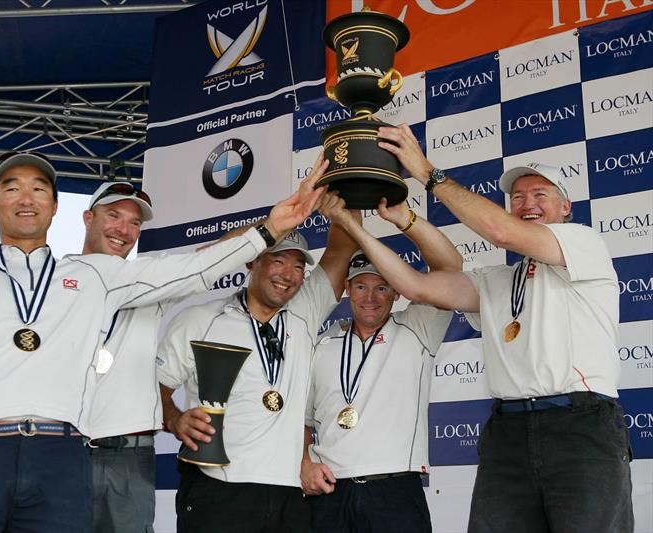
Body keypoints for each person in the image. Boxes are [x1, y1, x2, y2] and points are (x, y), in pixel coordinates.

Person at [0, 151, 329, 532]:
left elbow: (193, 268)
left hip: (59, 457)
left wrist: (270, 228)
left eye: (39, 188)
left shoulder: (95, 275)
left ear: (55, 206)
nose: (27, 197)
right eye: (12, 188)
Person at [319, 123, 634, 533]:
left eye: (541, 194)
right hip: (508, 432)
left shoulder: (584, 244)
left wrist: (426, 173)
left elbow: (500, 229)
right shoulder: (496, 281)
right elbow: (415, 286)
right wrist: (361, 225)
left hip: (581, 426)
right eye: (517, 197)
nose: (527, 203)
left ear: (565, 207)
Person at [157, 209, 358, 532]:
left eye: (297, 266)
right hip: (217, 487)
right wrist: (174, 418)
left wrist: (346, 186)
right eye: (277, 260)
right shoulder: (199, 320)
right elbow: (156, 387)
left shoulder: (305, 310)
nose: (288, 274)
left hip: (288, 492)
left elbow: (342, 248)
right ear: (252, 261)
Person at [302, 200, 462, 533]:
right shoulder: (321, 342)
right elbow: (300, 420)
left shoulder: (419, 327)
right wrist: (303, 462)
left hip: (394, 490)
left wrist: (404, 219)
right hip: (329, 491)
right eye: (361, 285)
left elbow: (449, 268)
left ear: (398, 292)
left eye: (382, 287)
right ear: (347, 289)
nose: (370, 297)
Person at [81, 180, 169, 533]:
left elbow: (210, 259)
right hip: (62, 449)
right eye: (114, 215)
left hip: (130, 456)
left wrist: (268, 229)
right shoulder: (55, 280)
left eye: (135, 223)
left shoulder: (153, 281)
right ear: (88, 217)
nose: (124, 230)